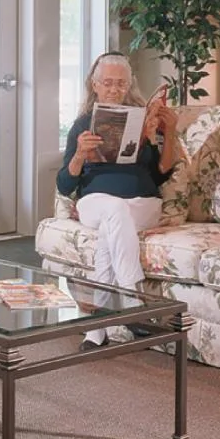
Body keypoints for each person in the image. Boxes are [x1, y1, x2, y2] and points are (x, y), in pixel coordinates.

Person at [56, 52, 178, 352]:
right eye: (108, 83)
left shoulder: (141, 119)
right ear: (94, 85)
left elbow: (162, 174)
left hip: (142, 203)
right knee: (114, 209)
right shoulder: (83, 124)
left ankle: (96, 330)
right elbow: (64, 184)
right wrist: (80, 156)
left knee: (110, 235)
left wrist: (169, 131)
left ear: (129, 86)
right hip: (96, 202)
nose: (114, 90)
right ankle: (133, 302)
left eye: (120, 84)